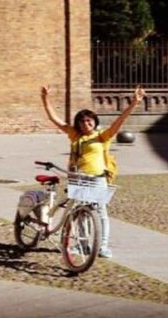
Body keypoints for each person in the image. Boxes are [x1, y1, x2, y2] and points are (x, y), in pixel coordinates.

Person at [40, 84, 145, 258]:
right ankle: (82, 244)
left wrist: (134, 103)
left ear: (95, 121)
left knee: (100, 212)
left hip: (97, 178)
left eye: (89, 120)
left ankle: (102, 246)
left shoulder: (102, 136)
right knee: (79, 213)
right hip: (77, 178)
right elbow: (54, 119)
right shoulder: (75, 135)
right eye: (82, 121)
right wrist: (45, 98)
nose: (85, 124)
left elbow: (119, 121)